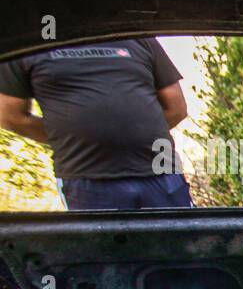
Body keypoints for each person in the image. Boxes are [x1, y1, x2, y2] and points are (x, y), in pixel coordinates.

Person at [0, 38, 192, 210]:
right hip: (88, 180)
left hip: (162, 173)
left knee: (182, 245)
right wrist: (72, 140)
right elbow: (11, 116)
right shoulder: (30, 44)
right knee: (102, 248)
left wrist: (129, 134)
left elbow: (176, 108)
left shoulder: (139, 38)